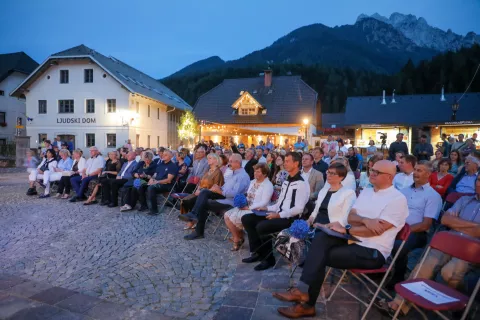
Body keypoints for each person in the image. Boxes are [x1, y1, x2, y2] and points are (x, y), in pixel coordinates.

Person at [272, 160, 408, 318]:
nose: (371, 173)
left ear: (390, 177)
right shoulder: (368, 191)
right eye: (372, 169)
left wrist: (348, 228)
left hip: (372, 251)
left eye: (377, 172)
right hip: (352, 240)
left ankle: (306, 300)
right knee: (321, 238)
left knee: (318, 254)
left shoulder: (397, 199)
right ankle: (305, 297)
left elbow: (375, 232)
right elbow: (351, 216)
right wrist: (365, 221)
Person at [375, 174, 480, 317]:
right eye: (479, 180)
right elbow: (445, 219)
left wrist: (458, 224)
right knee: (423, 267)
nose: (479, 184)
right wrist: (473, 226)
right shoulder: (465, 200)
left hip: (472, 251)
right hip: (449, 243)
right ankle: (398, 305)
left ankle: (452, 306)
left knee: (448, 273)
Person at [241, 152, 310, 271]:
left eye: (288, 161)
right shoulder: (287, 180)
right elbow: (279, 203)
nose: (285, 163)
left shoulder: (301, 183)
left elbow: (298, 209)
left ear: (296, 163)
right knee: (247, 219)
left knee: (262, 227)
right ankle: (258, 252)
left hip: (290, 219)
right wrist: (267, 208)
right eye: (285, 161)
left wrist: (278, 215)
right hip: (279, 214)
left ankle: (269, 259)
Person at [388, 161, 442, 287]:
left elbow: (426, 225)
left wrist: (402, 230)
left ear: (428, 174)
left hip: (417, 233)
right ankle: (376, 266)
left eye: (420, 170)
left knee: (398, 245)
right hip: (397, 227)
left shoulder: (433, 196)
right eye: (415, 170)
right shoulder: (404, 191)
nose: (415, 173)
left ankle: (398, 276)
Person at [180, 154, 250, 240]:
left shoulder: (242, 176)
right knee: (204, 193)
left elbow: (235, 193)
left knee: (203, 200)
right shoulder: (233, 173)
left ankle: (196, 223)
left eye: (231, 161)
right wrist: (218, 188)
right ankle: (194, 218)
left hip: (230, 201)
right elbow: (226, 187)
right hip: (223, 196)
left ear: (237, 163)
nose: (229, 163)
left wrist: (220, 191)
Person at [224, 163, 274, 251]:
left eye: (258, 172)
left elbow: (264, 202)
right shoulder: (252, 182)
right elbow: (248, 195)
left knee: (242, 217)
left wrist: (249, 207)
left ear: (265, 174)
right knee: (226, 215)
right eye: (255, 171)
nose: (255, 173)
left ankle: (238, 239)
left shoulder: (268, 185)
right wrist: (242, 203)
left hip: (259, 210)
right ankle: (237, 237)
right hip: (247, 206)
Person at [180, 153, 224, 230]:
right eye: (208, 158)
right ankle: (191, 219)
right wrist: (198, 189)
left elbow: (216, 187)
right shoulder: (208, 171)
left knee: (194, 200)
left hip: (210, 194)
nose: (208, 160)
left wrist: (201, 192)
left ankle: (192, 220)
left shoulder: (218, 172)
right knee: (187, 200)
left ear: (216, 161)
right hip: (201, 191)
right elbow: (201, 182)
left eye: (210, 158)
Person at [306, 162, 356, 228]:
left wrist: (324, 226)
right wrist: (309, 220)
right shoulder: (323, 191)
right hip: (316, 225)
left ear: (341, 177)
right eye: (328, 172)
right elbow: (315, 211)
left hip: (333, 229)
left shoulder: (348, 193)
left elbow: (345, 218)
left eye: (332, 173)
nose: (329, 175)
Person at [145, 150, 178, 215]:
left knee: (151, 188)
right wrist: (152, 179)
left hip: (167, 185)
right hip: (158, 183)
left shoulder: (172, 166)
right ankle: (144, 206)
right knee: (142, 186)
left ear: (171, 156)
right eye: (163, 154)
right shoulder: (160, 164)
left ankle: (154, 210)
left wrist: (157, 182)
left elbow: (169, 180)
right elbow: (155, 174)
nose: (163, 156)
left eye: (166, 155)